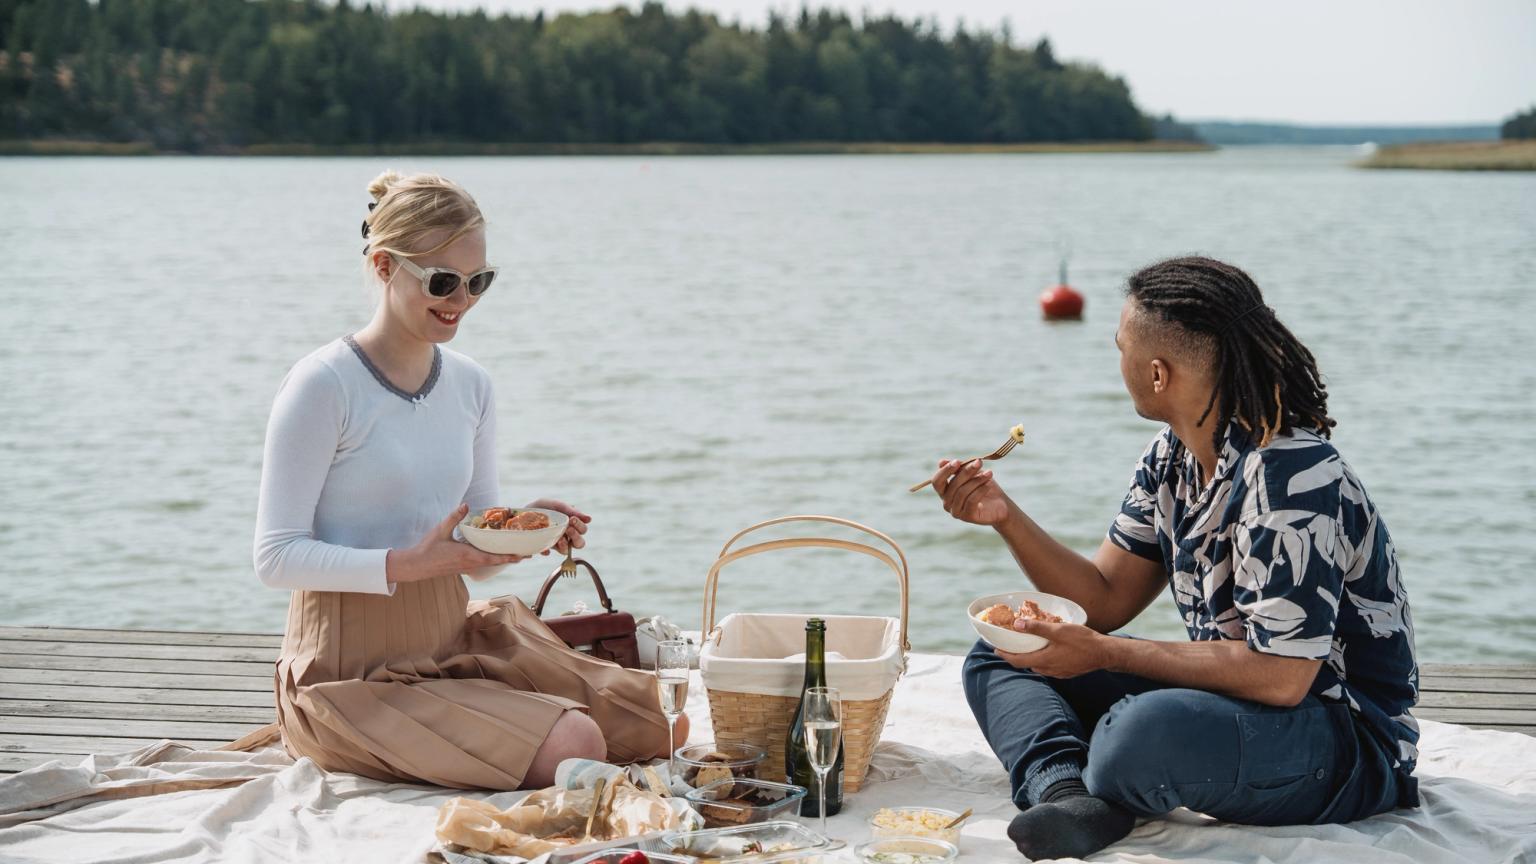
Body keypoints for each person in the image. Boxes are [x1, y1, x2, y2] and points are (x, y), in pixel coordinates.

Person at [931, 256, 1418, 860]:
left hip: (1343, 740)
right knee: (1008, 649)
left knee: (1140, 732)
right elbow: (1103, 601)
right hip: (1236, 707)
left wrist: (1106, 655)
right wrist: (1005, 516)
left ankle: (1106, 774)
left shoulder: (1291, 475)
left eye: (1120, 349)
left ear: (1157, 373)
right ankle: (1067, 794)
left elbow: (1283, 676)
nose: (1118, 364)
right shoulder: (1173, 455)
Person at [253, 171, 683, 790]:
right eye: (442, 280)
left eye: (479, 281)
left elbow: (476, 560)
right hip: (348, 672)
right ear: (382, 265)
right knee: (577, 741)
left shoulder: (471, 384)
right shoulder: (323, 384)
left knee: (661, 722)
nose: (462, 298)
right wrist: (408, 564)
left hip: (451, 640)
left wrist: (524, 527)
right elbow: (275, 558)